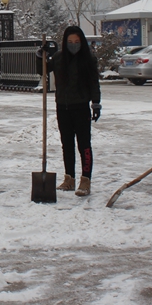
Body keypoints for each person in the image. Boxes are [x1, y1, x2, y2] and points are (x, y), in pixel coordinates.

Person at [38, 26, 102, 197]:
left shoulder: (88, 60)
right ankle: (69, 179)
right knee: (67, 144)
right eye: (70, 42)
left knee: (84, 145)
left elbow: (94, 83)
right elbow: (42, 69)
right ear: (65, 43)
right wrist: (41, 54)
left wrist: (96, 103)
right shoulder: (59, 58)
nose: (73, 45)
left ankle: (85, 180)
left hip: (81, 107)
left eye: (77, 42)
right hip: (63, 107)